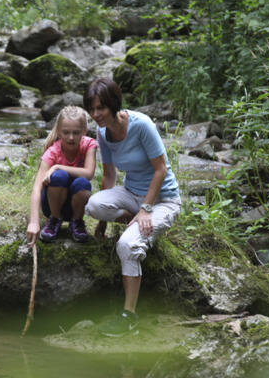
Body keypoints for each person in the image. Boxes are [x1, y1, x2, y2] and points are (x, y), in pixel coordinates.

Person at [83, 77, 181, 337]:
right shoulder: (103, 132)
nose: (95, 115)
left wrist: (146, 209)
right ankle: (134, 222)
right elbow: (109, 175)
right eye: (91, 109)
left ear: (114, 104)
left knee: (126, 245)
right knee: (92, 205)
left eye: (100, 108)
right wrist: (103, 220)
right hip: (130, 193)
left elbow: (160, 170)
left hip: (163, 199)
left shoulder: (142, 125)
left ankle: (129, 316)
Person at [27, 106, 97, 246]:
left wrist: (57, 166)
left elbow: (89, 173)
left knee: (82, 183)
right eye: (66, 132)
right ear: (59, 131)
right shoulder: (53, 151)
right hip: (52, 204)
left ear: (84, 131)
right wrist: (34, 222)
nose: (71, 137)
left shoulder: (89, 145)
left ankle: (77, 222)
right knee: (59, 176)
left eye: (76, 133)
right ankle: (55, 219)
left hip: (75, 205)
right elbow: (37, 189)